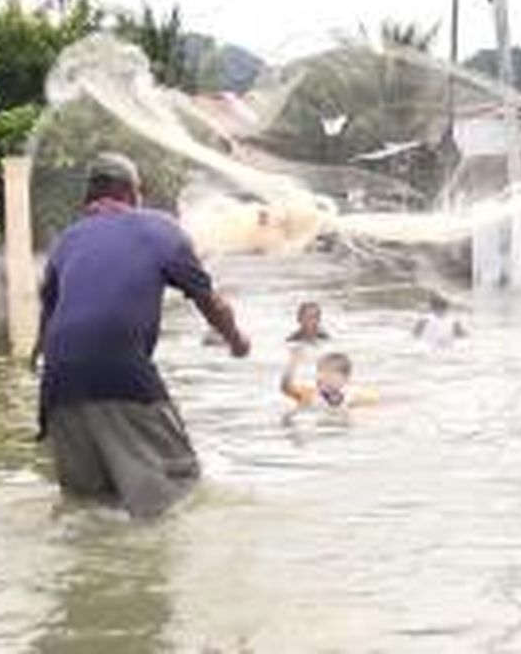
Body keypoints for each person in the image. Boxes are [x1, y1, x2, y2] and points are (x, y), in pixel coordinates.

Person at [34, 153, 250, 518]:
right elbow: (210, 302)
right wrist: (236, 341)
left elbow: (47, 320)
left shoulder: (67, 240)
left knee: (87, 512)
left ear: (90, 197)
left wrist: (37, 360)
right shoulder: (160, 228)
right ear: (130, 193)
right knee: (176, 492)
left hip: (58, 388)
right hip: (120, 373)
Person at [280, 351, 353, 408]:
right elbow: (285, 387)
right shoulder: (309, 394)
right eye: (322, 373)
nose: (327, 380)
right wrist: (293, 363)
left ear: (346, 379)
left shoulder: (352, 397)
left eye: (331, 376)